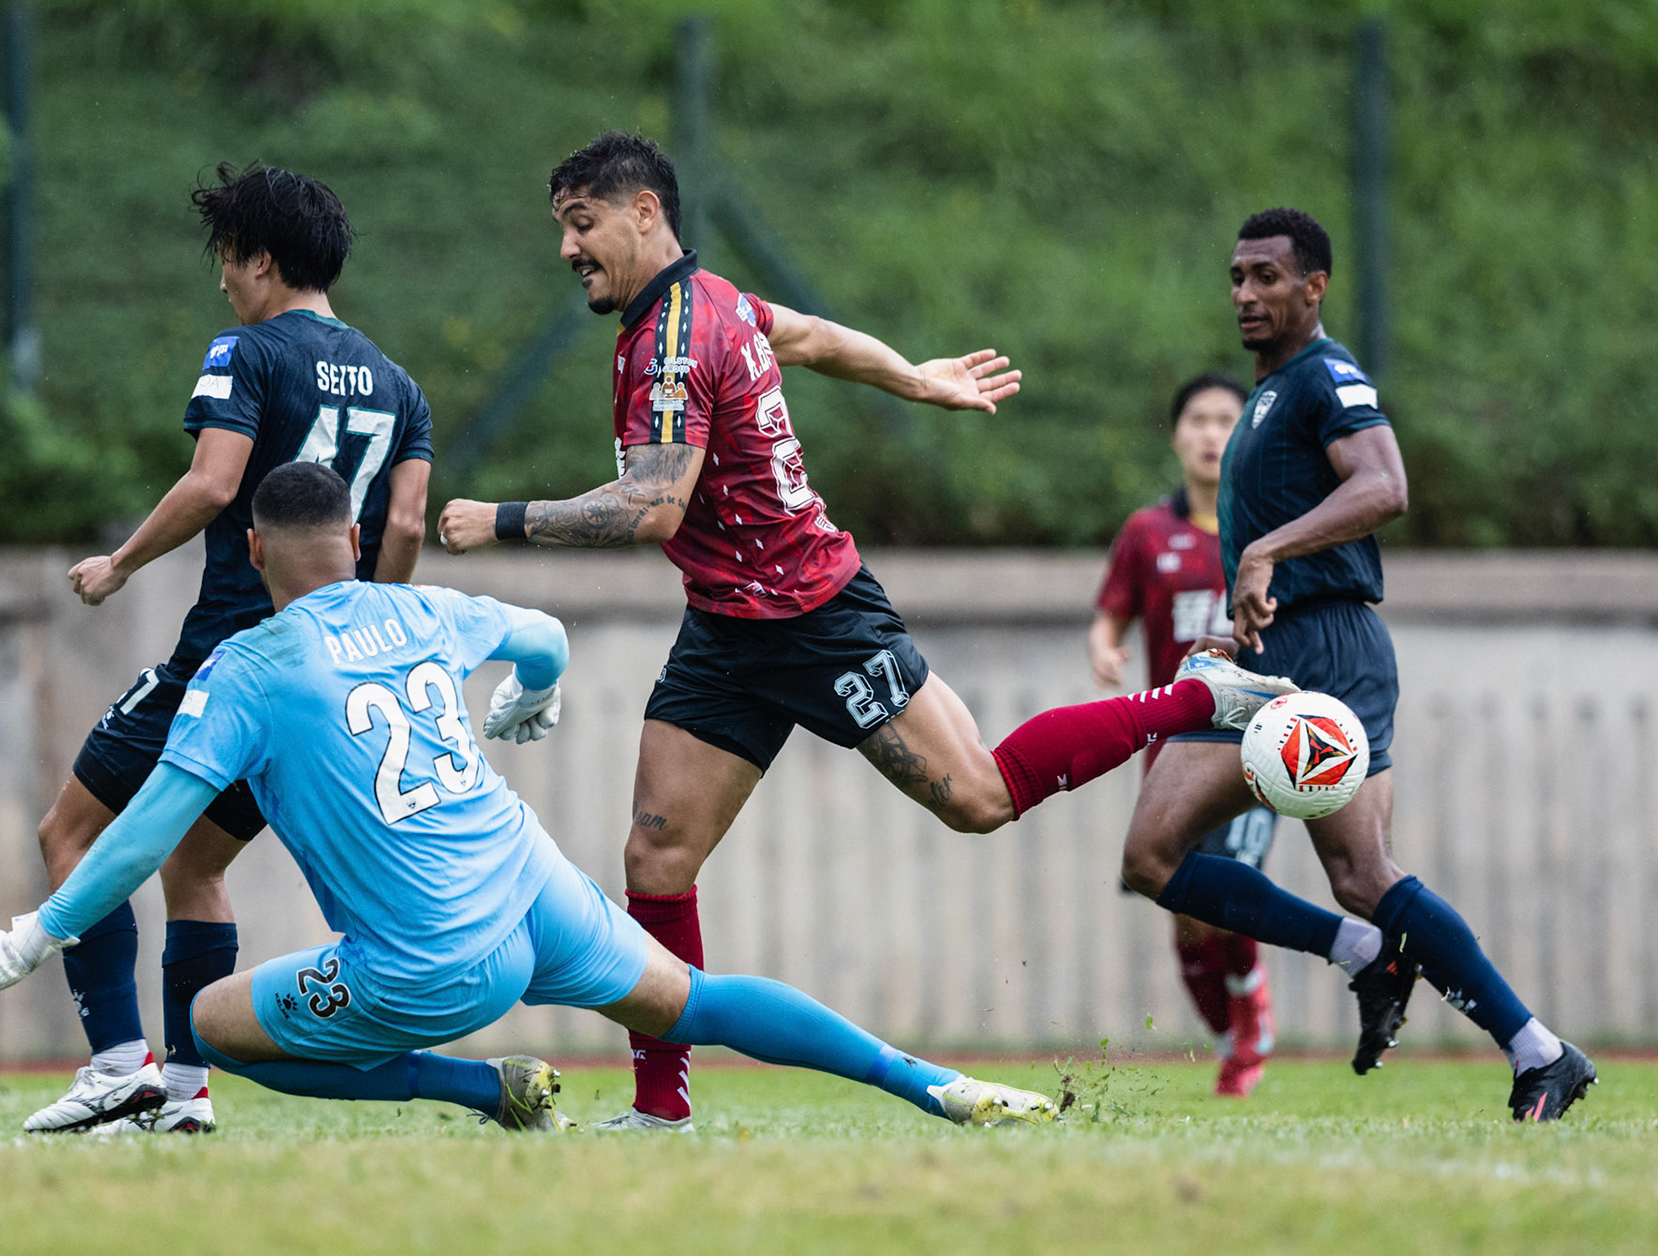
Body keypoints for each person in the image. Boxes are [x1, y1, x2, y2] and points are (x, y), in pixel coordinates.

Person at [435, 131, 1298, 1131]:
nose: (567, 249)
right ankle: (660, 1109)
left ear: (643, 214)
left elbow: (652, 507)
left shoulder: (675, 336)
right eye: (561, 229)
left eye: (581, 224)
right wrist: (916, 378)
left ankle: (1199, 698)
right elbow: (811, 336)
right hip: (727, 629)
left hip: (815, 616)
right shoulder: (718, 305)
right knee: (656, 860)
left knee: (979, 799)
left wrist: (499, 520)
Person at [0, 462, 1065, 1134]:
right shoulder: (422, 611)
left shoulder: (246, 669)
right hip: (531, 885)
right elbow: (543, 631)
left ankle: (477, 1091)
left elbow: (148, 826)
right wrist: (533, 700)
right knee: (692, 1001)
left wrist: (31, 937)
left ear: (253, 553)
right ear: (354, 540)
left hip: (429, 960)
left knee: (207, 1029)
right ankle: (931, 1083)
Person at [1116, 207, 1595, 1121]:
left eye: (1266, 277)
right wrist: (1241, 606)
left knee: (1356, 872)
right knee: (1168, 857)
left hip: (1329, 648)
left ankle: (1537, 1049)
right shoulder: (1269, 391)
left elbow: (1386, 486)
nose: (1245, 294)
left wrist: (1265, 557)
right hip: (1271, 649)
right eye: (1237, 277)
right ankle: (1373, 956)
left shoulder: (1326, 375)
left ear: (1315, 286)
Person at [28, 164, 434, 1134]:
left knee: (70, 833)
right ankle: (184, 1093)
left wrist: (121, 564)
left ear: (261, 259)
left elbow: (214, 485)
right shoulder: (399, 383)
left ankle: (120, 1064)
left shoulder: (248, 352)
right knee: (196, 869)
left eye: (226, 259)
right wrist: (363, 624)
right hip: (322, 673)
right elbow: (409, 523)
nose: (221, 281)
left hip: (227, 658)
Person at [1091, 373, 1279, 1097]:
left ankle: (1251, 1000)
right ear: (1176, 435)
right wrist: (1104, 647)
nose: (1210, 433)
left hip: (1255, 743)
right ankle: (1235, 1034)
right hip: (1173, 747)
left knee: (1226, 889)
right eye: (1197, 419)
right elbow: (1111, 614)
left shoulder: (1271, 529)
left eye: (1226, 419)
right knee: (1185, 917)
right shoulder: (1147, 532)